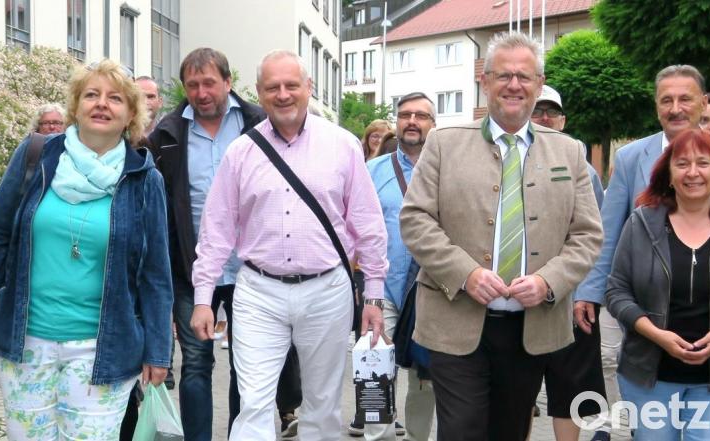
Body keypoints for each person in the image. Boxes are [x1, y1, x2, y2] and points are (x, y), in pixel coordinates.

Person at [399, 32, 603, 441]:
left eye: (524, 77)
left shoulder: (569, 152)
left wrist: (550, 281)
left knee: (509, 431)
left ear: (539, 84)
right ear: (485, 82)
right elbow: (416, 220)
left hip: (531, 327)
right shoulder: (444, 144)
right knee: (462, 430)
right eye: (504, 75)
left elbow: (587, 234)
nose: (514, 85)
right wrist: (465, 273)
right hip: (454, 320)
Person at [189, 49, 388, 440]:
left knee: (323, 403)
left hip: (327, 290)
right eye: (272, 87)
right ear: (259, 94)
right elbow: (216, 231)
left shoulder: (343, 145)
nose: (283, 95)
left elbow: (368, 224)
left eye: (291, 85)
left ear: (308, 88)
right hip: (259, 292)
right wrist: (202, 297)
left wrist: (375, 296)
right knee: (255, 403)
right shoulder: (240, 153)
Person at [0, 59, 172, 440]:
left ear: (131, 113)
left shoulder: (145, 179)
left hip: (104, 349)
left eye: (115, 98)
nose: (101, 104)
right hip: (26, 344)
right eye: (91, 94)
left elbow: (156, 274)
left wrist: (158, 351)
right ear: (75, 106)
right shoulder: (37, 156)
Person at [574, 66, 710, 439]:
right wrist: (590, 291)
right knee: (619, 369)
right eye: (666, 100)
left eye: (685, 99)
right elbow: (610, 232)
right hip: (645, 313)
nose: (676, 108)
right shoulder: (630, 158)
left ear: (703, 103)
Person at [146, 47, 302, 440]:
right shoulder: (166, 134)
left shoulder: (259, 122)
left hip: (252, 268)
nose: (201, 93)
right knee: (196, 364)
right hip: (191, 267)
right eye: (193, 85)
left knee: (246, 365)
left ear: (229, 83)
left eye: (209, 83)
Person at [606, 128, 710, 440]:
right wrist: (657, 335)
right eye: (682, 164)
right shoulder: (642, 223)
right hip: (649, 377)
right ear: (668, 175)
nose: (692, 172)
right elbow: (617, 292)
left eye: (703, 163)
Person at [352, 92, 438, 440]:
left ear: (434, 124)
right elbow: (353, 227)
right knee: (375, 376)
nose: (413, 121)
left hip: (432, 293)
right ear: (397, 122)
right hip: (381, 290)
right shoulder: (371, 171)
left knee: (425, 382)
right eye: (405, 115)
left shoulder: (449, 171)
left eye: (421, 116)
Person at [529, 84, 608, 441]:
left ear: (563, 120)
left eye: (552, 113)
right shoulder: (508, 160)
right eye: (538, 111)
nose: (545, 118)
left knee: (572, 390)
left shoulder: (580, 166)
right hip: (520, 298)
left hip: (572, 299)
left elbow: (595, 236)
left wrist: (587, 293)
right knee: (518, 394)